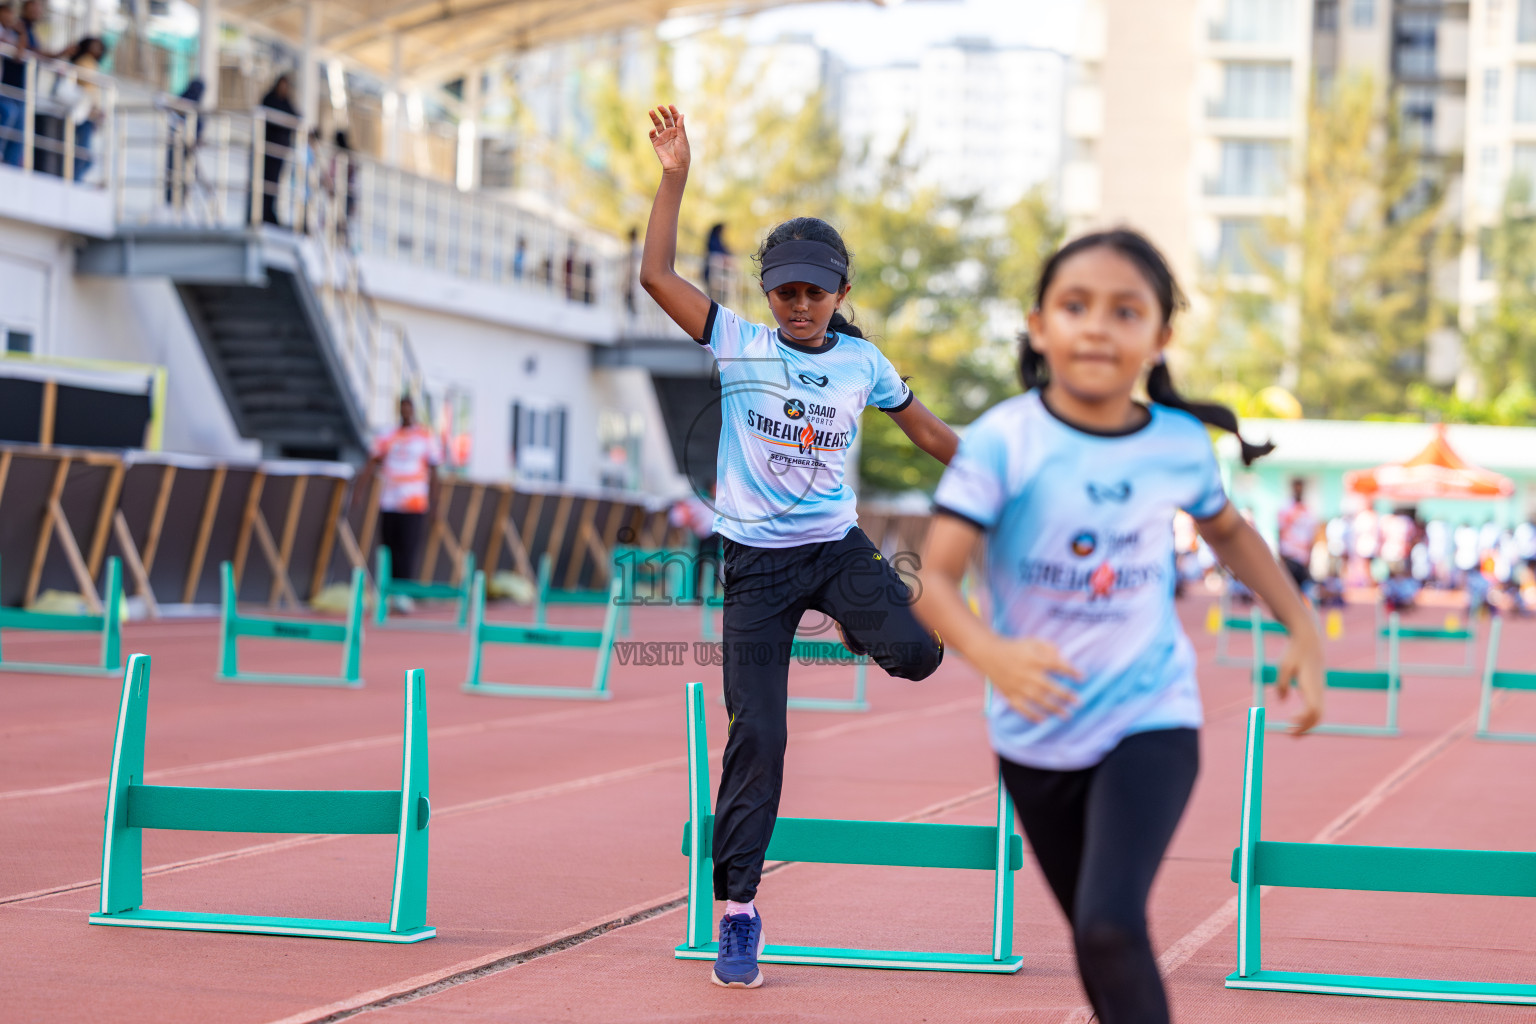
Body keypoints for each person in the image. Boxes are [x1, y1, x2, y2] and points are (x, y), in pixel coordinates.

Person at [912, 229, 1324, 1024]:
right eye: (1075, 306)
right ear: (1040, 326)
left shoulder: (1177, 443)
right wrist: (989, 652)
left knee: (1107, 924)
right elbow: (933, 578)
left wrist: (1301, 628)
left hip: (1150, 714)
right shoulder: (1004, 441)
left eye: (1124, 310)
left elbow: (1230, 532)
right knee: (1100, 940)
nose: (1097, 326)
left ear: (1158, 337)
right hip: (1034, 728)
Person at [640, 104, 959, 989]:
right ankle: (737, 912)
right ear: (767, 293)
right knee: (760, 736)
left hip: (834, 550)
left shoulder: (863, 364)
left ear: (841, 295)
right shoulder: (736, 343)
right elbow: (655, 272)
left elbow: (933, 437)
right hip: (755, 569)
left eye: (818, 292)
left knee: (921, 658)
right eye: (787, 291)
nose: (803, 305)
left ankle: (864, 619)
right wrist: (674, 178)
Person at [370, 395, 439, 613]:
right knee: (388, 548)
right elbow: (372, 461)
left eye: (409, 408)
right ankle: (387, 591)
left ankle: (403, 592)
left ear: (414, 410)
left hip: (414, 503)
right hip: (389, 502)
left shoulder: (424, 436)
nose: (406, 412)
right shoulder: (388, 435)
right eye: (403, 408)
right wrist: (358, 492)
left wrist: (435, 504)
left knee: (407, 549)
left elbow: (435, 470)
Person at [258, 74, 296, 226]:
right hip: (268, 149)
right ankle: (263, 211)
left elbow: (295, 116)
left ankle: (270, 211)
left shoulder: (287, 103)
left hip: (280, 151)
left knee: (274, 183)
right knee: (265, 180)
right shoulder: (270, 99)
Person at [1277, 477, 1319, 595]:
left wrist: (1309, 555)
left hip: (1302, 557)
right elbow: (1280, 530)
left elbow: (1311, 534)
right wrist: (1281, 553)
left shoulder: (1308, 510)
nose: (1298, 490)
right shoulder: (1285, 508)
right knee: (1288, 589)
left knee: (1301, 591)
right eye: (1296, 487)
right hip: (1289, 554)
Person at [702, 221, 732, 303]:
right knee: (712, 294)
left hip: (719, 275)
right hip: (713, 273)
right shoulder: (713, 241)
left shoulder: (718, 240)